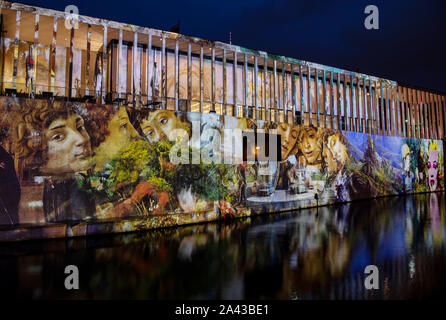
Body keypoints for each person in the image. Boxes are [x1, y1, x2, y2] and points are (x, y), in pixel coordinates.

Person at [13, 100, 95, 222]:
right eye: (58, 136)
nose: (81, 139)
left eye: (80, 127)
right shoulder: (37, 196)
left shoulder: (81, 182)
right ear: (37, 148)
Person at [0, 144, 21, 225]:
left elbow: (6, 162)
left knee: (11, 216)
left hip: (10, 189)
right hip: (7, 189)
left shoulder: (6, 158)